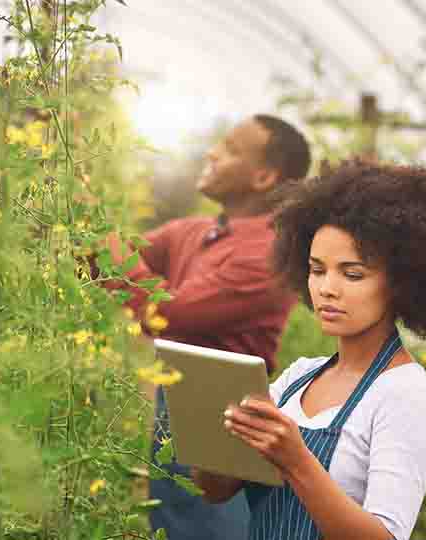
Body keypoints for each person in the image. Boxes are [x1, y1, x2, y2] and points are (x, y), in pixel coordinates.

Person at [193, 159, 426, 540]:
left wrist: (297, 461)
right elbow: (214, 491)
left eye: (352, 274)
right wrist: (218, 439)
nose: (328, 288)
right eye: (317, 269)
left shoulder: (406, 396)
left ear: (403, 281)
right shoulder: (299, 378)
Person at [104, 115, 312, 540]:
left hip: (225, 413)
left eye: (231, 148)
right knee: (172, 522)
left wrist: (98, 235)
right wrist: (76, 226)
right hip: (176, 399)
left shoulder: (268, 255)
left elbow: (169, 314)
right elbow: (123, 260)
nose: (212, 153)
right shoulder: (198, 231)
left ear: (264, 176)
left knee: (210, 527)